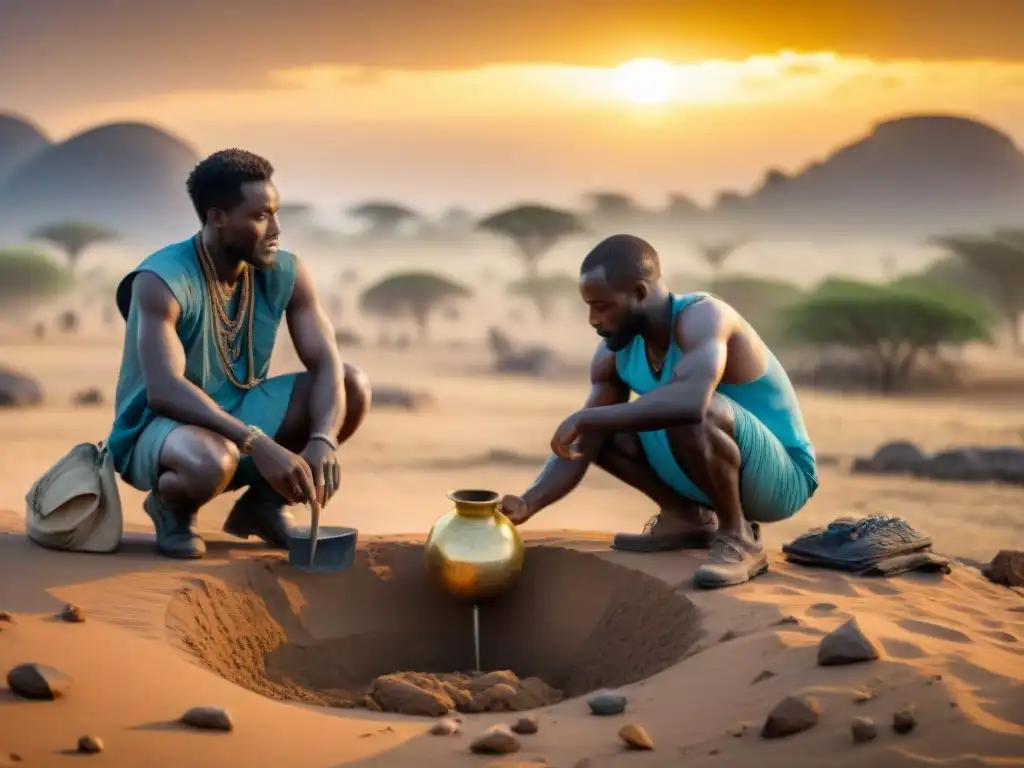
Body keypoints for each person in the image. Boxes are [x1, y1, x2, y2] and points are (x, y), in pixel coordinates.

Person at [499, 234, 817, 588]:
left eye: (602, 306)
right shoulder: (613, 354)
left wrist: (584, 418)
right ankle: (686, 519)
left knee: (690, 409)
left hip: (781, 478)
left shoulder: (703, 317)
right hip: (707, 466)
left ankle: (738, 535)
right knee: (602, 429)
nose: (592, 319)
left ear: (638, 293)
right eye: (589, 307)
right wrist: (527, 503)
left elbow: (691, 403)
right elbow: (581, 446)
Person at [107, 149, 371, 559]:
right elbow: (163, 390)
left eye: (276, 213)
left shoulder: (286, 271)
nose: (276, 229)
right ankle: (172, 508)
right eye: (261, 216)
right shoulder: (160, 280)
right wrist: (257, 443)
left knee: (351, 385)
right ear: (218, 218)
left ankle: (264, 506)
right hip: (161, 426)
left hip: (241, 409)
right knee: (211, 462)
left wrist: (323, 438)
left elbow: (326, 362)